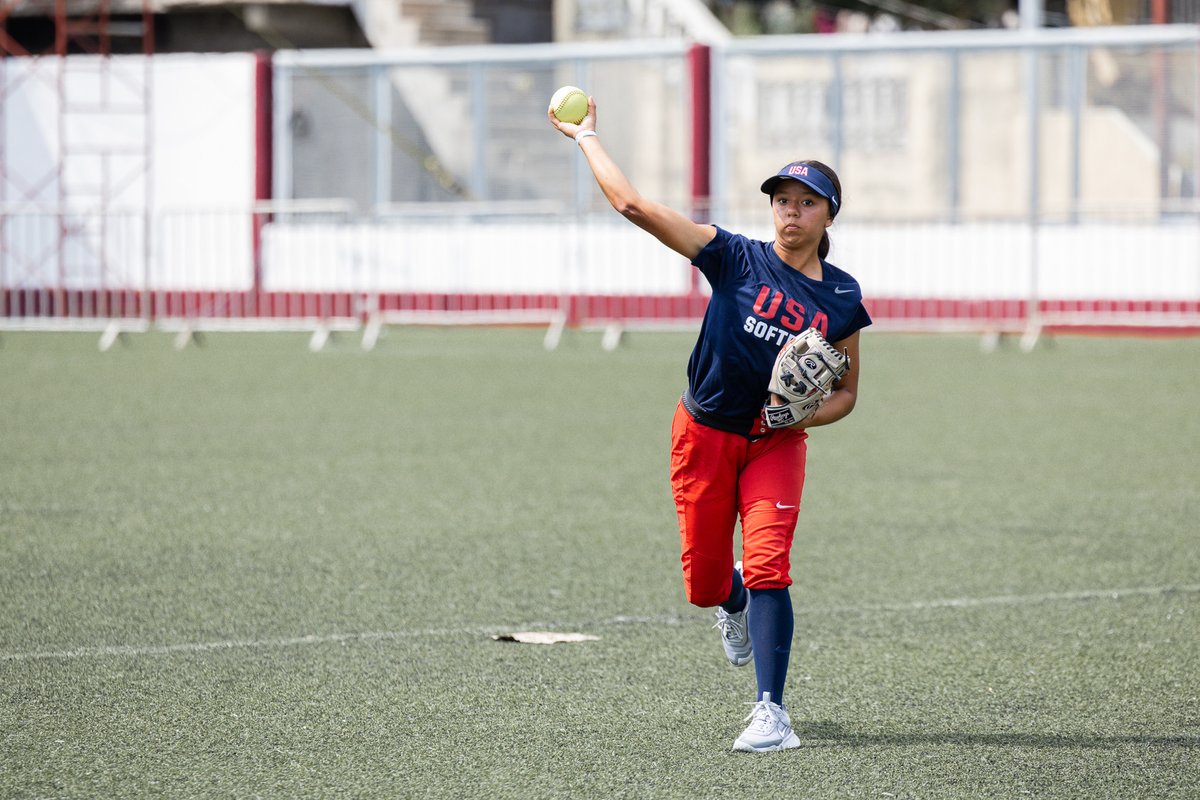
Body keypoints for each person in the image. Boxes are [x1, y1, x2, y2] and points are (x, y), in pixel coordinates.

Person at [549, 95, 871, 752]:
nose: (791, 211)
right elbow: (634, 207)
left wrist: (798, 411)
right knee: (704, 583)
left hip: (775, 444)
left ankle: (772, 712)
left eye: (806, 201)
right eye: (782, 199)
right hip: (702, 433)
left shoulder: (841, 298)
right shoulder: (733, 257)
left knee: (769, 566)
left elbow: (847, 394)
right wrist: (585, 137)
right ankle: (732, 608)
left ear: (828, 214)